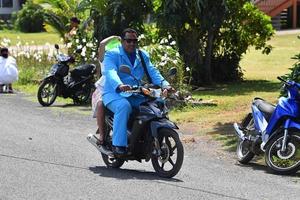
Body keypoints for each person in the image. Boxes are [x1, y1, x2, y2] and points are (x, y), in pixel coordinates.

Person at [102, 28, 172, 155]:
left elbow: (153, 71)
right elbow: (110, 72)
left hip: (136, 93)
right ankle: (119, 145)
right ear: (122, 41)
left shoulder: (142, 55)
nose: (132, 44)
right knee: (124, 106)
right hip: (114, 93)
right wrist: (120, 84)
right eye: (128, 41)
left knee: (157, 104)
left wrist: (165, 85)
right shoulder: (112, 54)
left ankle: (146, 138)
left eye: (134, 41)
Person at [92, 35, 121, 145]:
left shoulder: (122, 59)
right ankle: (102, 135)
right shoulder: (104, 59)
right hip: (105, 89)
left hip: (121, 87)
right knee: (100, 104)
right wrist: (114, 37)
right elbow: (102, 44)